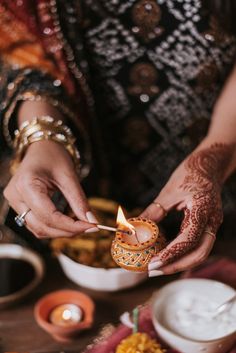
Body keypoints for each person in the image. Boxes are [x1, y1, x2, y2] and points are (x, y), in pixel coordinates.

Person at [1, 0, 236, 277]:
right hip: (79, 167)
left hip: (217, 171)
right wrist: (42, 138)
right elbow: (20, 43)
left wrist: (217, 152)